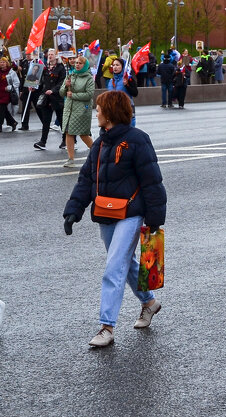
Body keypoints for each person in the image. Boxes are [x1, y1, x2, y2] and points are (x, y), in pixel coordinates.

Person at [63, 90, 167, 348]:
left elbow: (152, 181)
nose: (96, 112)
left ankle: (106, 327)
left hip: (130, 214)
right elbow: (86, 179)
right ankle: (149, 303)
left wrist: (154, 218)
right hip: (106, 213)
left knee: (113, 268)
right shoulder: (100, 143)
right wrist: (73, 211)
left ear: (110, 113)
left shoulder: (138, 140)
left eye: (99, 109)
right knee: (124, 263)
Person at [61, 54, 96, 168]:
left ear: (85, 65)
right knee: (69, 132)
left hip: (82, 109)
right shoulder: (71, 75)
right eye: (76, 63)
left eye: (80, 63)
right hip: (69, 109)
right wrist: (66, 86)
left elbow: (89, 94)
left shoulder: (88, 78)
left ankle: (98, 152)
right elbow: (62, 93)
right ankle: (70, 159)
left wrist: (74, 95)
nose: (77, 65)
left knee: (83, 134)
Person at [33, 50, 67, 151]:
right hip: (46, 99)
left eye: (52, 54)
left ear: (56, 56)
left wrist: (53, 90)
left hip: (57, 98)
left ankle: (66, 140)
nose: (50, 56)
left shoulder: (61, 68)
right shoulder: (45, 68)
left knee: (61, 121)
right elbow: (40, 80)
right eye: (49, 54)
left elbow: (62, 82)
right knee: (46, 121)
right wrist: (33, 86)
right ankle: (43, 142)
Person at [105, 59, 140, 127]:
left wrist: (127, 85)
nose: (115, 67)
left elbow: (135, 93)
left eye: (117, 65)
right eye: (113, 65)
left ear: (123, 67)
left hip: (126, 110)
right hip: (114, 111)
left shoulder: (128, 78)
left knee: (128, 133)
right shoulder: (111, 81)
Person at [0, 56, 19, 132]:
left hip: (7, 94)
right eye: (1, 62)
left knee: (1, 109)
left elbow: (17, 83)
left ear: (7, 63)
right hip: (0, 93)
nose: (2, 64)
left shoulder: (11, 72)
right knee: (4, 110)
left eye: (3, 62)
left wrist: (9, 88)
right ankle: (13, 122)